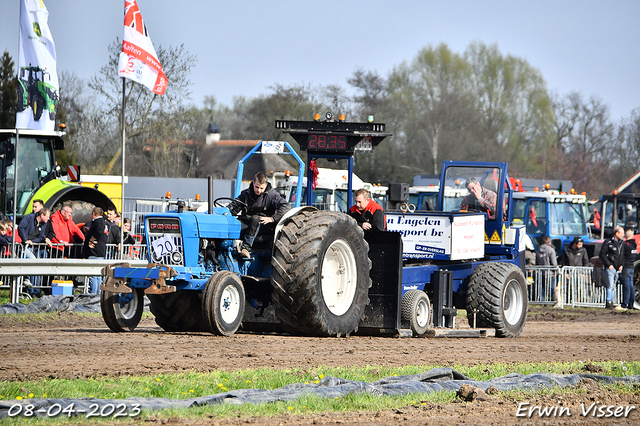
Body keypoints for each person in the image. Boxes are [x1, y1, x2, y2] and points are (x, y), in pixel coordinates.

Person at [232, 171, 289, 258]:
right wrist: (226, 212)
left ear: (266, 185)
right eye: (257, 187)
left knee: (256, 219)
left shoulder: (272, 195)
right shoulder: (246, 194)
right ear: (253, 183)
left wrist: (272, 218)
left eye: (261, 188)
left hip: (264, 226)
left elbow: (285, 206)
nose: (259, 190)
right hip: (248, 222)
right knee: (234, 223)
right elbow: (234, 206)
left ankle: (246, 248)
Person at [599, 226, 625, 310]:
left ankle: (612, 300)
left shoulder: (622, 243)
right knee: (610, 285)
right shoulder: (608, 242)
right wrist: (609, 264)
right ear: (616, 233)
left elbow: (622, 255)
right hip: (611, 267)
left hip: (617, 268)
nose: (623, 235)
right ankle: (608, 301)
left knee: (613, 285)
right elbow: (602, 254)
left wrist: (621, 265)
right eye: (622, 233)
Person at [83, 207, 108, 294]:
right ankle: (98, 295)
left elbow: (99, 232)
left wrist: (91, 239)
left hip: (95, 252)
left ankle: (93, 295)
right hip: (99, 252)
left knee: (93, 276)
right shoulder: (102, 222)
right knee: (97, 276)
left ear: (93, 214)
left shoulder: (98, 222)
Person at [535, 235, 558, 304]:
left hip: (540, 271)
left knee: (542, 287)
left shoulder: (538, 250)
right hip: (550, 272)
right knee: (552, 288)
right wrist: (556, 270)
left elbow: (537, 261)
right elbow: (553, 262)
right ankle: (552, 301)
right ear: (549, 242)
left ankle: (542, 301)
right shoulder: (551, 250)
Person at [622, 230, 637, 310]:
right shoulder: (634, 245)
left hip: (626, 267)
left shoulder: (626, 245)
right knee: (631, 285)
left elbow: (622, 255)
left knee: (626, 285)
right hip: (631, 266)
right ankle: (631, 303)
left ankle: (625, 303)